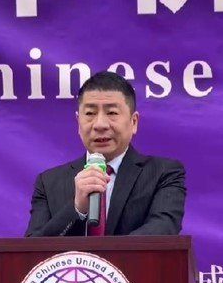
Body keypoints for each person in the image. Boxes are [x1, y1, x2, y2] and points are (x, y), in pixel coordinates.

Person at [25, 71, 186, 236]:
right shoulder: (49, 182)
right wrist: (76, 208)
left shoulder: (163, 174)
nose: (100, 125)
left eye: (112, 113)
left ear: (133, 122)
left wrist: (103, 253)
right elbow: (33, 248)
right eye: (90, 113)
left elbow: (163, 229)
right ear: (78, 122)